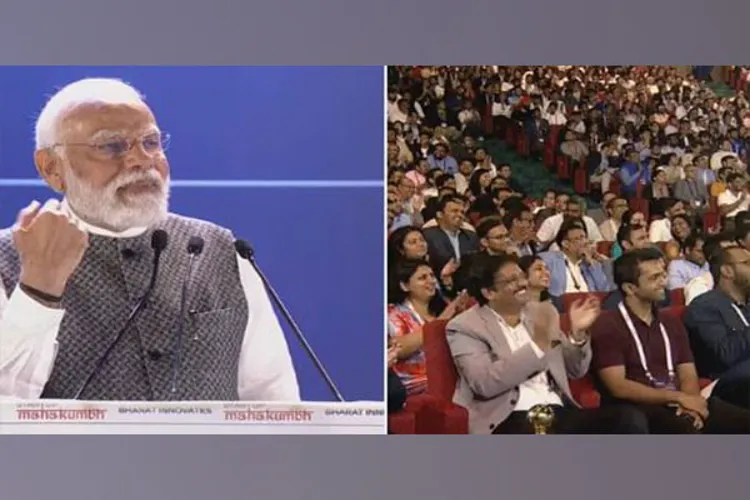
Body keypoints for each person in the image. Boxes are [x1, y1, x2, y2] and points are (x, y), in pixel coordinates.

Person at [0, 78, 299, 401]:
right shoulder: (7, 259)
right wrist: (37, 290)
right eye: (111, 146)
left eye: (151, 142)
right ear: (51, 169)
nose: (141, 160)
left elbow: (273, 401)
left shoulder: (224, 252)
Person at [446, 253, 648, 434]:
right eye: (511, 280)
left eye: (522, 276)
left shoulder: (541, 313)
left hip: (558, 410)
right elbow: (485, 383)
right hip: (508, 417)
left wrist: (577, 334)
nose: (522, 284)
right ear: (489, 292)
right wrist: (537, 346)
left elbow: (575, 370)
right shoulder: (465, 326)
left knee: (628, 419)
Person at [590, 248, 750, 433]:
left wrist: (691, 406)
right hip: (639, 406)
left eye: (663, 275)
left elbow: (687, 372)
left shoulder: (670, 322)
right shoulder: (608, 324)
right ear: (630, 288)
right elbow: (618, 386)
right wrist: (677, 398)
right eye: (654, 278)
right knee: (681, 429)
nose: (663, 282)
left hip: (678, 402)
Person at [684, 246, 750, 408]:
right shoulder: (704, 306)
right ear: (727, 271)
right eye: (748, 262)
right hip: (726, 384)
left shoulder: (746, 305)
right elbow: (726, 355)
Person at [539, 219, 611, 298]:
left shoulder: (589, 265)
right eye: (578, 239)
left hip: (589, 306)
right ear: (565, 244)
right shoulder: (549, 260)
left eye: (584, 237)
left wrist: (591, 263)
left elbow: (605, 292)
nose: (585, 242)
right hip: (560, 306)